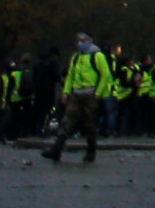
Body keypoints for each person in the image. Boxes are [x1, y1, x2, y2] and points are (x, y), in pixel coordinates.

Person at [45, 33, 111, 166]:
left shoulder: (97, 56)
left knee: (89, 124)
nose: (80, 43)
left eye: (83, 40)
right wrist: (66, 92)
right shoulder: (76, 57)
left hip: (90, 94)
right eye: (79, 40)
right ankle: (56, 149)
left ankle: (91, 151)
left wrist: (98, 93)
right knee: (67, 121)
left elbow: (106, 75)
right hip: (76, 93)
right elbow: (71, 75)